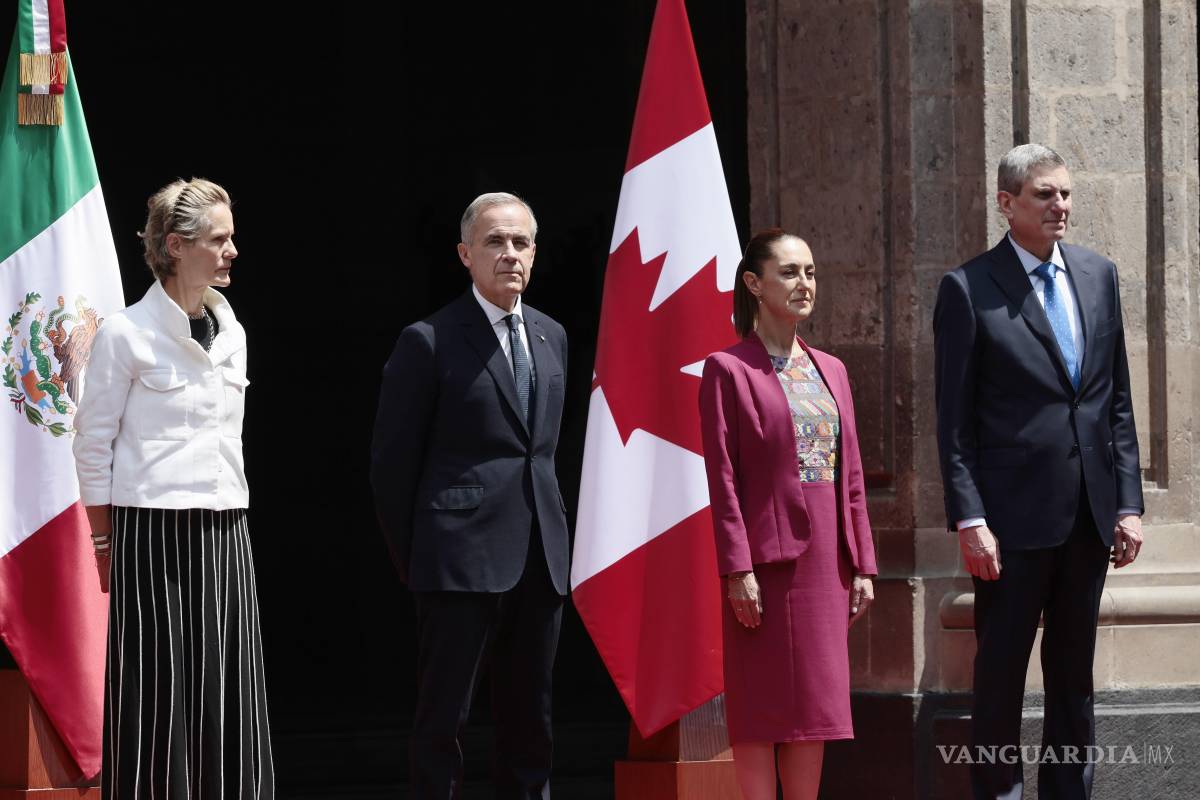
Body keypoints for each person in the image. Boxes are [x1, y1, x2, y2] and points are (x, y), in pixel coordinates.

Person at [933, 143, 1144, 799]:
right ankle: (1000, 793)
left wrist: (1128, 503)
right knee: (1000, 676)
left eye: (1066, 194)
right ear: (1007, 203)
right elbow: (955, 420)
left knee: (1073, 677)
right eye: (1045, 195)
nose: (1061, 206)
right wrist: (970, 517)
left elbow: (1115, 400)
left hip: (1087, 516)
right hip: (1010, 524)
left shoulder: (1097, 274)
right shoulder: (968, 289)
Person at [73, 178, 274, 798]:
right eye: (219, 239)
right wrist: (103, 541)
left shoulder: (232, 331)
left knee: (230, 683)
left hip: (224, 526)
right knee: (155, 691)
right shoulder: (124, 334)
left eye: (231, 237)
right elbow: (92, 444)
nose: (232, 250)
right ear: (176, 246)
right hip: (151, 531)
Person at [370, 192, 570, 799]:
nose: (509, 254)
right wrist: (421, 562)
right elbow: (391, 466)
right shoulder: (428, 339)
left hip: (540, 557)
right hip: (456, 561)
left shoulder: (551, 334)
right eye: (495, 242)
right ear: (465, 254)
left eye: (521, 242)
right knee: (443, 723)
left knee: (530, 720)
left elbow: (543, 451)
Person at [698, 229, 877, 800]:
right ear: (754, 283)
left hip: (827, 562)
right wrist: (736, 569)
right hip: (764, 565)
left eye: (812, 272)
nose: (805, 284)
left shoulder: (833, 370)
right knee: (760, 705)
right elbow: (722, 478)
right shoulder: (727, 369)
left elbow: (851, 475)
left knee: (816, 708)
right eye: (791, 272)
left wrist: (864, 563)